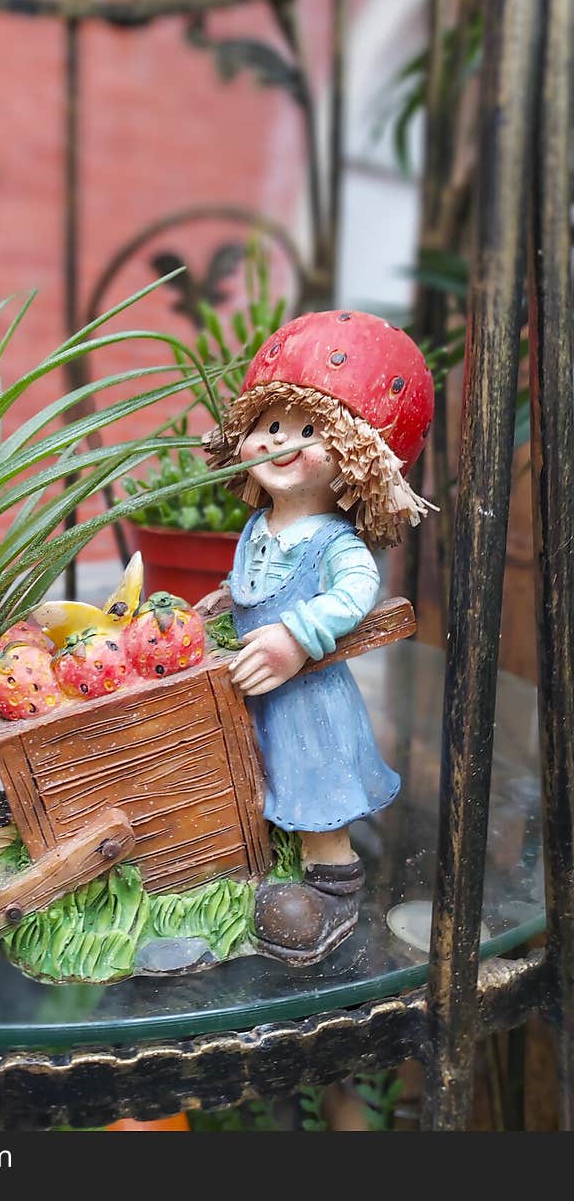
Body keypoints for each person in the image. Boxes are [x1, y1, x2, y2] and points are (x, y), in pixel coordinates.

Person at [200, 310, 435, 964]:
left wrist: (296, 638)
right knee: (259, 773)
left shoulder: (337, 542)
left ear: (357, 461)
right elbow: (251, 582)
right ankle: (274, 857)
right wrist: (225, 598)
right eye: (270, 426)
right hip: (254, 687)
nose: (281, 442)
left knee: (313, 783)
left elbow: (355, 592)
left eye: (308, 431)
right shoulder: (261, 526)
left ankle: (332, 885)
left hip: (308, 699)